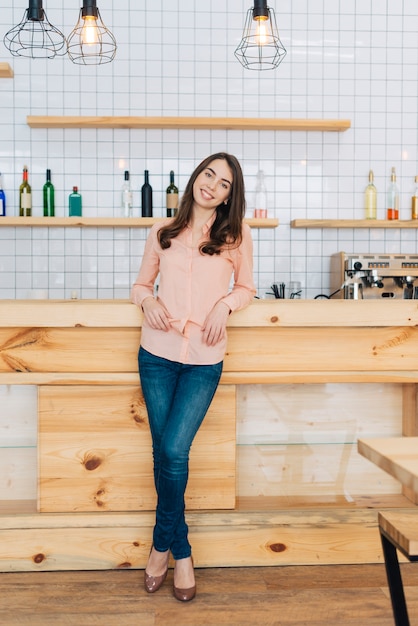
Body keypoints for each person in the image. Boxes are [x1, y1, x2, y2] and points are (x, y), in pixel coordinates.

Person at [131, 152, 255, 602]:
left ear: (228, 196)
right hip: (157, 354)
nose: (213, 186)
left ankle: (163, 547)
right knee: (163, 453)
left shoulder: (236, 236)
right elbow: (141, 285)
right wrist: (147, 302)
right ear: (196, 178)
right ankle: (180, 551)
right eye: (209, 175)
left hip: (204, 359)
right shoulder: (161, 233)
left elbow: (246, 288)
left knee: (173, 449)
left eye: (224, 184)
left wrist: (225, 305)